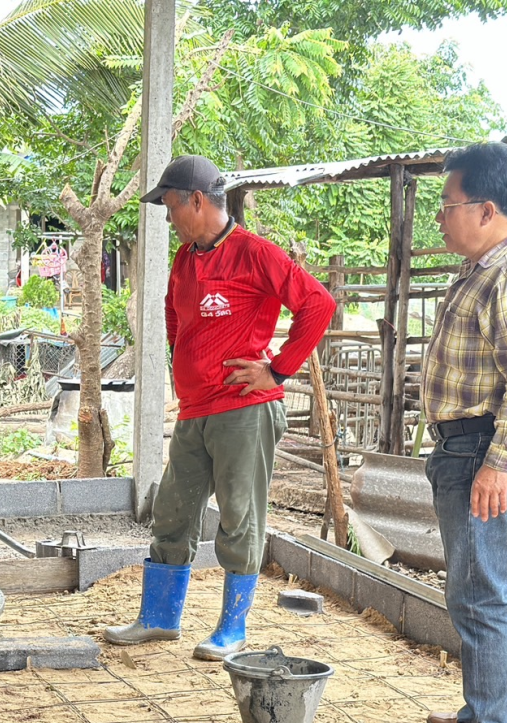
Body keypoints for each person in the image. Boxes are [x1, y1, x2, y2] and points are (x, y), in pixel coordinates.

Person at [105, 155, 335, 660]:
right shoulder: (186, 258)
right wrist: (183, 362)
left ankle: (232, 630)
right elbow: (173, 313)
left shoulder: (255, 253)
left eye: (169, 206)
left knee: (239, 517)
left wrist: (277, 369)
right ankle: (159, 619)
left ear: (197, 201)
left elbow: (318, 304)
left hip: (244, 410)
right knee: (172, 511)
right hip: (195, 410)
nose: (167, 217)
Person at [406, 142, 507, 723]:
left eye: (448, 204)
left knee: (478, 592)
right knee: (483, 586)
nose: (440, 217)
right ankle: (497, 709)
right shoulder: (482, 268)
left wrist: (497, 463)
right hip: (470, 447)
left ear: (487, 208)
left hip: (482, 450)